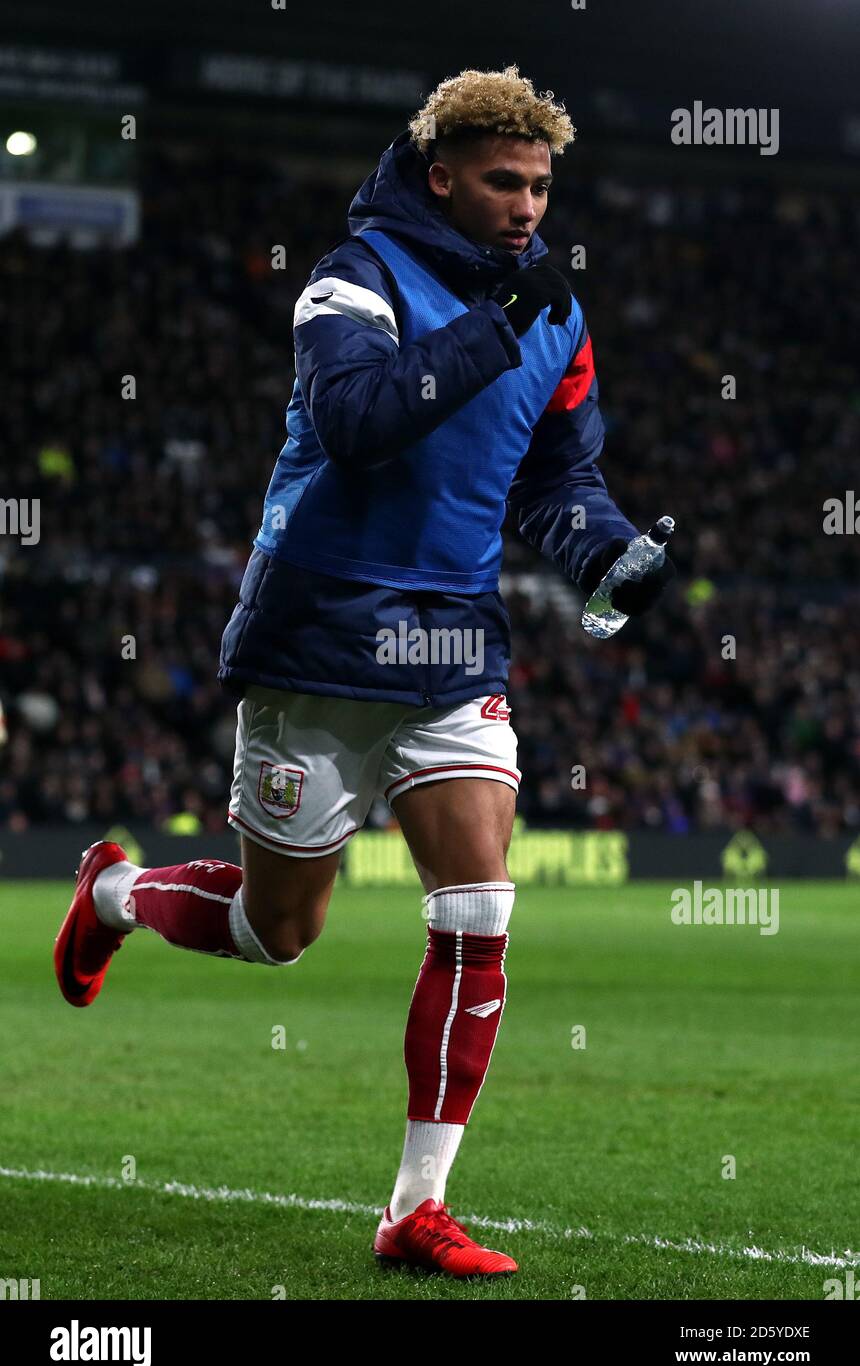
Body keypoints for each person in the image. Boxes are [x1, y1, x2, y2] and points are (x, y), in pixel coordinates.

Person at [55, 65, 674, 1279]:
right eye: (503, 182)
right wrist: (497, 322)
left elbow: (555, 481)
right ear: (439, 174)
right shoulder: (355, 278)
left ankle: (414, 1209)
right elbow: (356, 418)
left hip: (450, 642)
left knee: (479, 905)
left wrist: (611, 555)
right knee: (273, 931)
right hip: (320, 635)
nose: (527, 208)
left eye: (541, 185)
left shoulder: (556, 312)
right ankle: (117, 893)